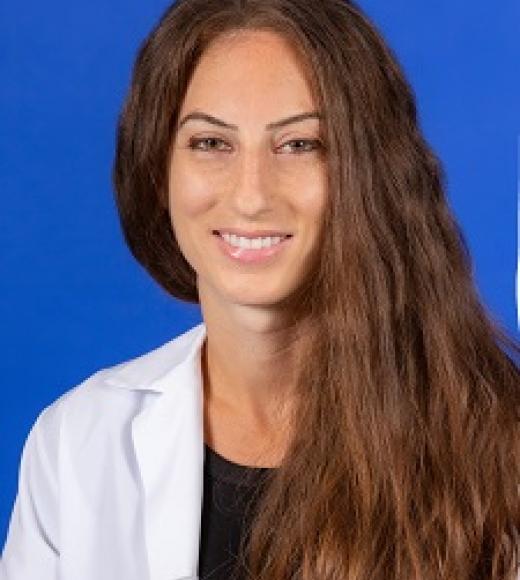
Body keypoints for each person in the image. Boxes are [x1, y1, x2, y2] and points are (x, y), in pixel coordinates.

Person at [1, 0, 519, 578]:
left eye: (299, 145)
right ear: (157, 169)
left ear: (369, 171)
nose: (251, 196)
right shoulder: (75, 443)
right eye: (211, 143)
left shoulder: (499, 446)